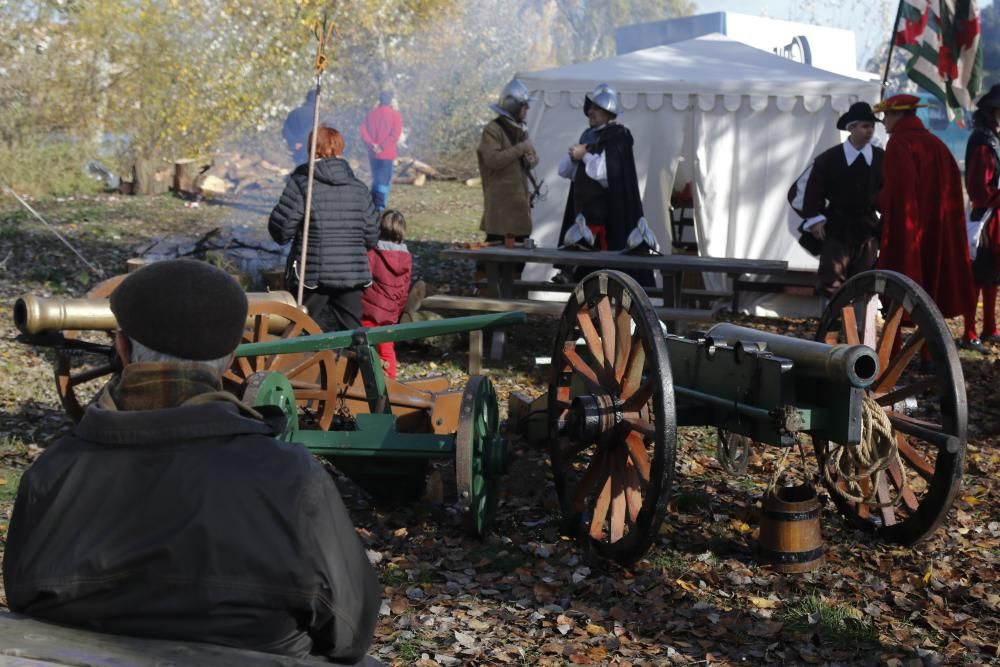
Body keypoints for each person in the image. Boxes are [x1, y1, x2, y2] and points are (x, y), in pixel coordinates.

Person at [2, 259, 382, 665]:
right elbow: (351, 631)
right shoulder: (291, 476)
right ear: (234, 353)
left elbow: (24, 597)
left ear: (122, 347)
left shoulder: (53, 472)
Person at [874, 93, 983, 353]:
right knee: (931, 286)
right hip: (937, 231)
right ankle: (927, 352)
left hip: (909, 232)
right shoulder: (937, 144)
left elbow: (897, 193)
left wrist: (876, 202)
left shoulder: (899, 143)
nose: (884, 121)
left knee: (902, 286)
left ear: (899, 114)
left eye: (887, 115)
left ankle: (892, 352)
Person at [269, 125, 379, 332]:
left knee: (297, 329)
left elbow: (281, 231)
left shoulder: (303, 184)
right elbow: (372, 237)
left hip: (312, 276)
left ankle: (288, 364)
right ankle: (366, 364)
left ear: (313, 148)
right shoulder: (359, 189)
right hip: (351, 275)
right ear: (339, 149)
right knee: (355, 332)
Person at [787, 101, 884, 297]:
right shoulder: (830, 159)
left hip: (868, 230)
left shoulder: (881, 158)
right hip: (837, 229)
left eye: (872, 126)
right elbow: (801, 191)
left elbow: (892, 192)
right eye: (865, 126)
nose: (870, 131)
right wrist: (814, 218)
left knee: (865, 283)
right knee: (831, 282)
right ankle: (832, 325)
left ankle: (859, 326)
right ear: (852, 128)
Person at [555, 83, 645, 282]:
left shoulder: (618, 136)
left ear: (607, 111)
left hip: (606, 215)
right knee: (583, 270)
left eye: (595, 108)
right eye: (590, 108)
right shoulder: (587, 135)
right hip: (583, 212)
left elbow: (606, 174)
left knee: (602, 270)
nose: (590, 112)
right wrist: (574, 156)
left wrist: (584, 155)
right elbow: (564, 171)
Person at [477, 78, 537, 253]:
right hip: (500, 210)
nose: (527, 110)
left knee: (519, 261)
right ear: (515, 106)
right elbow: (493, 160)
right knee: (492, 259)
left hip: (519, 208)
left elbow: (532, 157)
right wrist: (520, 148)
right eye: (525, 106)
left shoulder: (520, 129)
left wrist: (531, 158)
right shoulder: (493, 129)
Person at [964, 83, 1000, 346]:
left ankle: (990, 327)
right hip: (985, 218)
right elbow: (979, 189)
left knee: (993, 276)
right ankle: (969, 332)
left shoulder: (994, 139)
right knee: (978, 275)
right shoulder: (982, 142)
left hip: (996, 217)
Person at [361, 209, 412, 379]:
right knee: (387, 350)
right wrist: (398, 310)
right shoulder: (406, 257)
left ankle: (364, 380)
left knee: (363, 347)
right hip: (390, 314)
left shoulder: (372, 253)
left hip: (369, 310)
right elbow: (405, 289)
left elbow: (364, 279)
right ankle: (390, 382)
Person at [359, 91, 403, 212]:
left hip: (373, 153)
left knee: (376, 178)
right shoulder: (395, 114)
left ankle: (372, 204)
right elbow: (395, 135)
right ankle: (379, 207)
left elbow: (363, 131)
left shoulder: (371, 114)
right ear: (391, 100)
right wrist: (382, 146)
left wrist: (372, 144)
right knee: (383, 181)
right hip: (386, 154)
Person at [283, 89, 317, 166]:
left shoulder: (294, 112)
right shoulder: (318, 114)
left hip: (297, 150)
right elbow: (314, 131)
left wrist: (294, 142)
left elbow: (285, 131)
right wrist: (301, 142)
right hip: (310, 149)